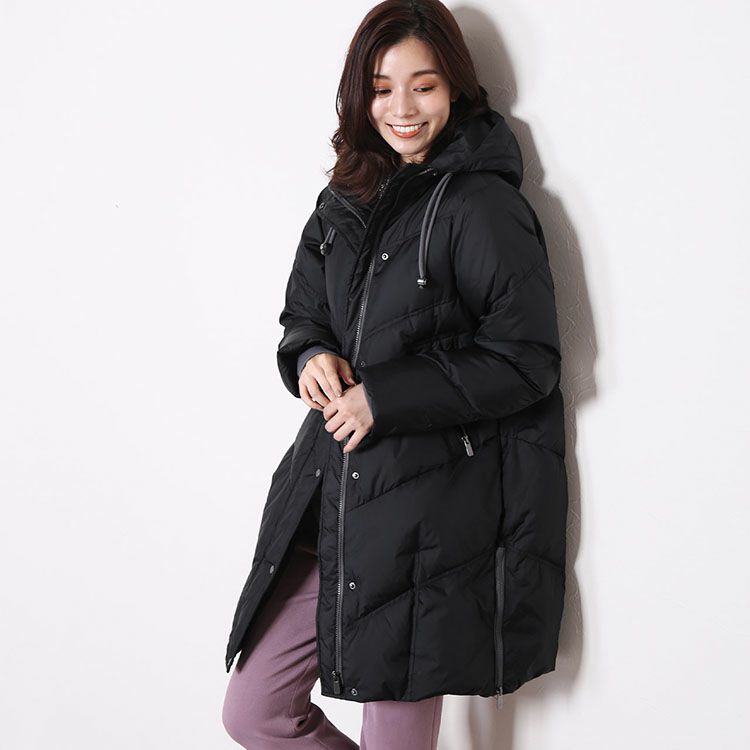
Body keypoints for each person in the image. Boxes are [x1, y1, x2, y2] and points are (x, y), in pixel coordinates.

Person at [222, 1, 568, 748]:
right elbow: (304, 314)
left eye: (424, 85)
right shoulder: (341, 201)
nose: (402, 109)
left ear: (457, 88)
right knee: (255, 711)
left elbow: (527, 360)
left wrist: (383, 396)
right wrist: (310, 354)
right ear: (360, 94)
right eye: (382, 89)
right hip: (334, 498)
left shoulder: (480, 204)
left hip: (428, 520)